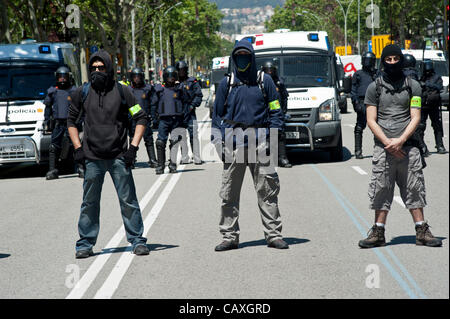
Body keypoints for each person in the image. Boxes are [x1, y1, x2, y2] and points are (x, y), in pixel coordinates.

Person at [67, 50, 150, 258]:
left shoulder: (123, 92)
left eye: (101, 68)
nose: (97, 71)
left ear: (108, 68)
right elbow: (71, 121)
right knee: (89, 203)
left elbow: (140, 117)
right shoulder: (82, 92)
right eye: (93, 68)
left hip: (119, 157)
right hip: (92, 158)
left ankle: (137, 240)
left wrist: (133, 148)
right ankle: (85, 243)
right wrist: (77, 148)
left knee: (128, 200)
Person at [358, 44, 442, 248]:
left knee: (415, 189)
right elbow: (371, 119)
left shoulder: (412, 85)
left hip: (408, 147)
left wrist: (401, 140)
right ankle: (378, 232)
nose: (393, 63)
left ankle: (422, 230)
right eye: (389, 59)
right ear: (383, 61)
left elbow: (416, 117)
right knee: (381, 189)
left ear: (401, 60)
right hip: (383, 148)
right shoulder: (374, 87)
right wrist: (388, 142)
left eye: (396, 59)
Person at [211, 39, 288, 251]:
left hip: (261, 143)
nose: (242, 59)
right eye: (239, 56)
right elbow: (216, 116)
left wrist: (273, 137)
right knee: (229, 195)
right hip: (233, 145)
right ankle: (229, 237)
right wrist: (218, 142)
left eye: (246, 55)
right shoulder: (227, 82)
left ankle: (274, 235)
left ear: (252, 57)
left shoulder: (265, 81)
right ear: (234, 58)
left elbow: (275, 111)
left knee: (268, 193)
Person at [43, 66, 82, 180]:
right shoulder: (52, 91)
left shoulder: (74, 91)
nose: (63, 79)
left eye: (64, 77)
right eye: (60, 77)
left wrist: (81, 121)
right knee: (53, 147)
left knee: (76, 145)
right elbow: (48, 108)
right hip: (58, 123)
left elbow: (81, 108)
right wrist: (47, 121)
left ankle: (81, 167)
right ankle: (52, 170)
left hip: (71, 123)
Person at [152, 66, 186, 174]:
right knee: (160, 142)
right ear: (165, 77)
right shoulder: (159, 89)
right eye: (169, 76)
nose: (171, 78)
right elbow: (154, 104)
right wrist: (154, 119)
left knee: (175, 142)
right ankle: (160, 166)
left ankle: (172, 164)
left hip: (176, 119)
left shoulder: (180, 88)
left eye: (173, 76)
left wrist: (185, 117)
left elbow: (186, 102)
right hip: (164, 119)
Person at [262, 60, 291, 168]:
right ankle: (265, 159)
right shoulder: (260, 82)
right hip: (264, 114)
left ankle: (282, 158)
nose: (269, 72)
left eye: (271, 70)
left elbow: (284, 97)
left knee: (280, 134)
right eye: (267, 70)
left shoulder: (279, 82)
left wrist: (283, 112)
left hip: (276, 112)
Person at [176, 60, 204, 165]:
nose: (181, 72)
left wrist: (192, 105)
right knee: (181, 135)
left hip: (190, 111)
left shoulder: (192, 82)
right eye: (179, 70)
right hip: (179, 113)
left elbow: (199, 95)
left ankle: (197, 157)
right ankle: (184, 157)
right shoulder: (174, 83)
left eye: (183, 70)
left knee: (194, 135)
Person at [129, 67, 158, 168]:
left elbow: (153, 103)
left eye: (138, 77)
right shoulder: (128, 90)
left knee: (149, 139)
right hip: (133, 119)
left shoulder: (148, 89)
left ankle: (153, 159)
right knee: (133, 139)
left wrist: (153, 116)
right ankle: (131, 160)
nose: (136, 79)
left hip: (145, 118)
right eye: (134, 77)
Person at [350, 51, 377, 159]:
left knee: (377, 128)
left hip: (375, 103)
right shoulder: (358, 74)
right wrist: (355, 103)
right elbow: (353, 90)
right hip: (362, 102)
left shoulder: (377, 74)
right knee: (359, 127)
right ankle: (358, 150)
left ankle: (379, 150)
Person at [417, 60, 446, 156]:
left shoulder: (437, 77)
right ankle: (422, 147)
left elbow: (439, 87)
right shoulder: (421, 77)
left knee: (437, 126)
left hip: (434, 105)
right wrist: (421, 83)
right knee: (421, 126)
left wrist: (427, 85)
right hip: (424, 105)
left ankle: (440, 145)